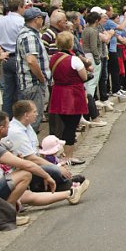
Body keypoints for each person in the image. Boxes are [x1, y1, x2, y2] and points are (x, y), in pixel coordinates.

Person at [47, 32, 90, 164]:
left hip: (58, 93)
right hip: (73, 95)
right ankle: (69, 157)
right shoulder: (74, 59)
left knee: (65, 125)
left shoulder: (53, 58)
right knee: (71, 126)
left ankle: (63, 154)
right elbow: (84, 77)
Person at [0, 0, 27, 118]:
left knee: (8, 91)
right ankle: (19, 118)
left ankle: (6, 118)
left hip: (6, 57)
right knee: (21, 90)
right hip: (19, 57)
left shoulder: (0, 21)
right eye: (24, 7)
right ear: (19, 7)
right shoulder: (22, 22)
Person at [16, 7, 51, 134]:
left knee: (32, 118)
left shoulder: (29, 34)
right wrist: (41, 78)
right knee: (33, 119)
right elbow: (31, 60)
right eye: (41, 18)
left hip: (32, 83)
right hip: (33, 83)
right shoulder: (29, 36)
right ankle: (30, 150)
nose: (43, 21)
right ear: (37, 19)